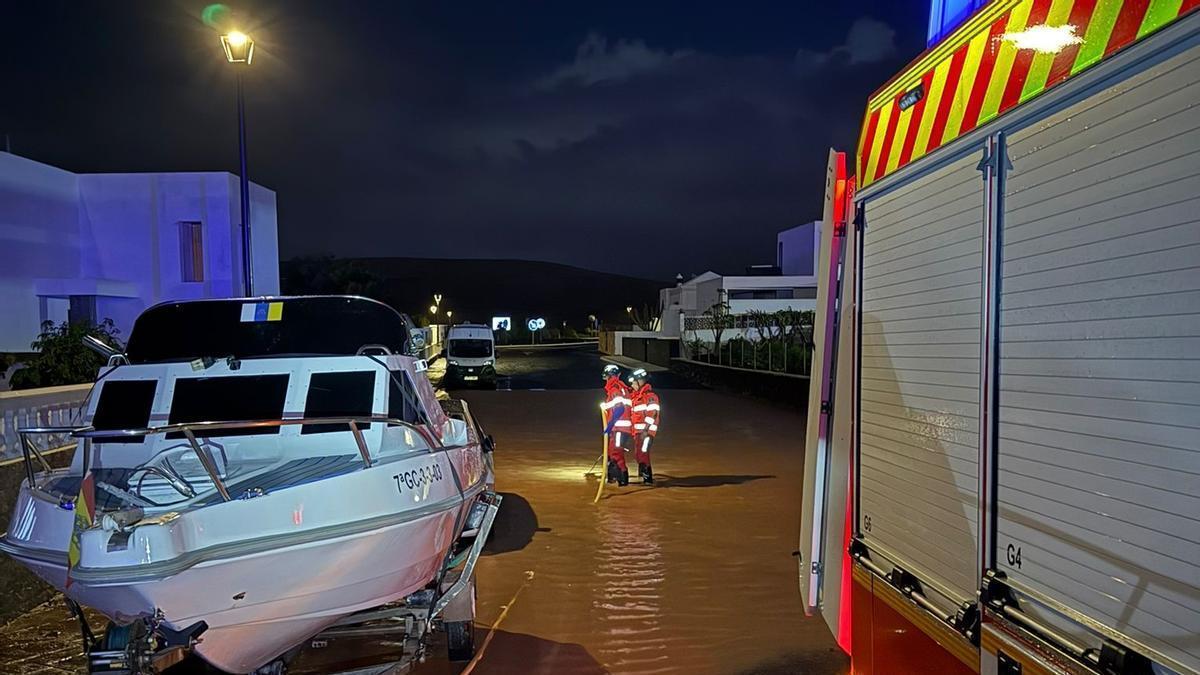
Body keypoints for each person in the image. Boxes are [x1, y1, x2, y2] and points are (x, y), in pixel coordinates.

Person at [600, 364, 633, 486]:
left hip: (619, 427)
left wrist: (609, 426)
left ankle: (623, 480)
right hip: (622, 428)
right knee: (612, 452)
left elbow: (619, 409)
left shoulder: (614, 388)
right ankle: (614, 477)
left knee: (616, 453)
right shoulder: (622, 388)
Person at [628, 368, 661, 484]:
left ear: (640, 382)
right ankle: (642, 473)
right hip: (638, 432)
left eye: (633, 383)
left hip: (646, 432)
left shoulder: (650, 396)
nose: (632, 385)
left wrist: (645, 430)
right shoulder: (636, 397)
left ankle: (648, 478)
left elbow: (653, 414)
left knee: (643, 453)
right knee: (638, 454)